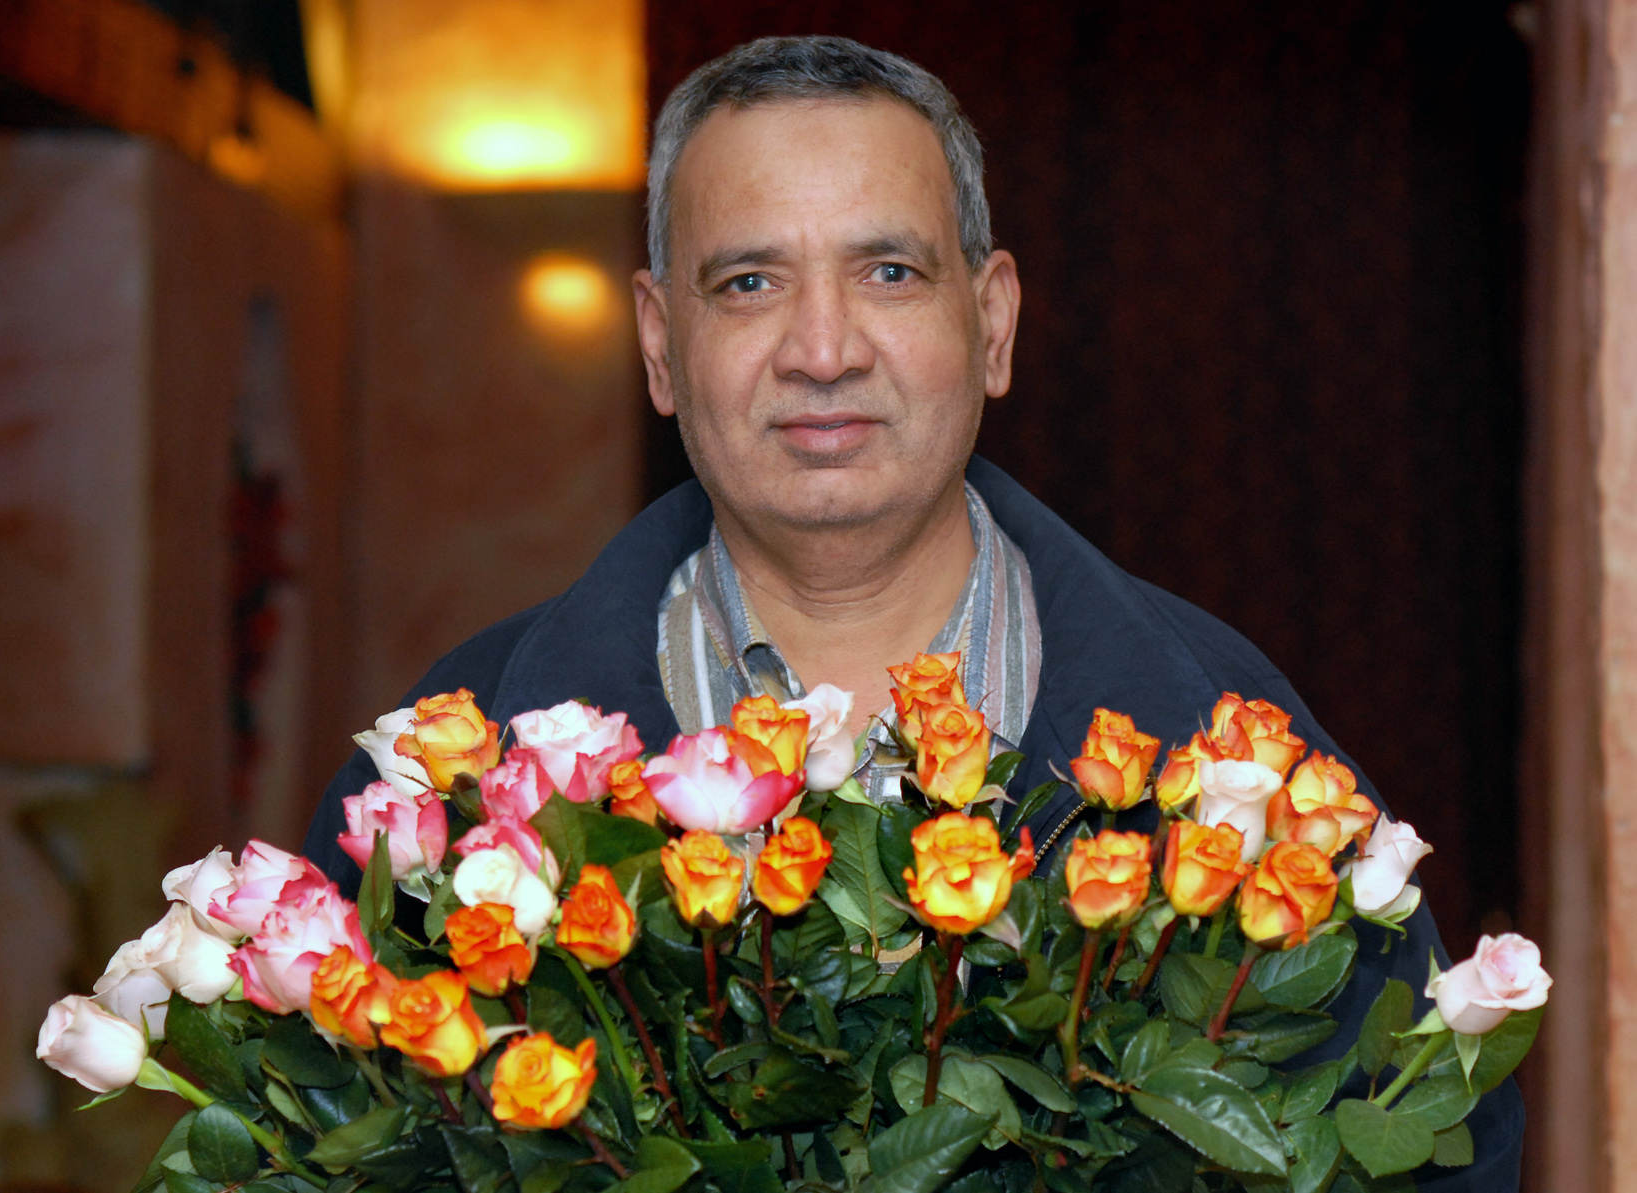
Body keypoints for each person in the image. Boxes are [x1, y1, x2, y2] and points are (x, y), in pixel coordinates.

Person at [302, 35, 1523, 1186]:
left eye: (888, 272)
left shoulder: (1235, 762)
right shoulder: (439, 792)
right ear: (661, 344)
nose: (822, 348)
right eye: (748, 281)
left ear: (990, 321)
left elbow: (1437, 1140)